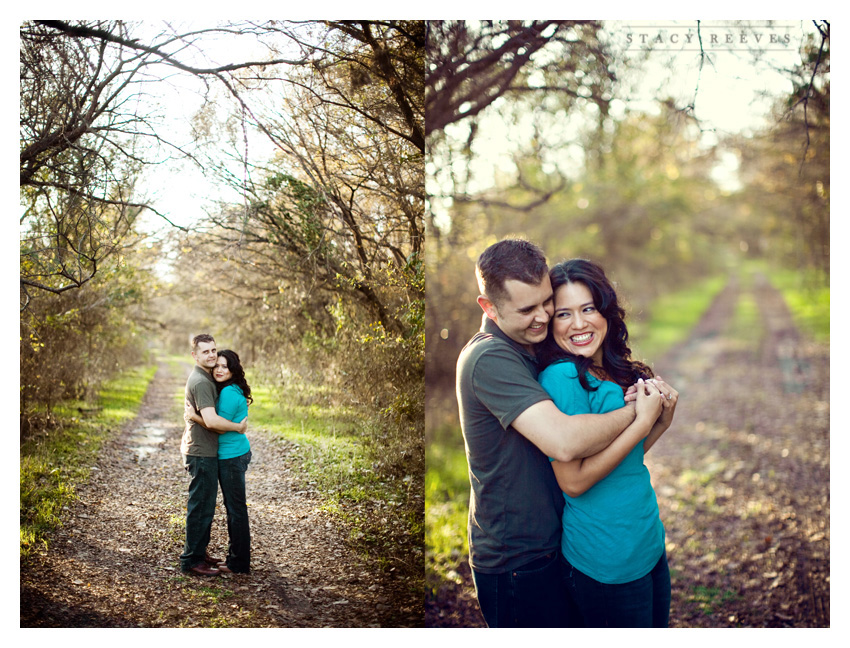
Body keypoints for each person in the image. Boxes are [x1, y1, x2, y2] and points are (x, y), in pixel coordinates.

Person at [456, 239, 640, 628]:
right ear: (488, 307)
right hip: (517, 561)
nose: (542, 316)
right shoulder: (489, 357)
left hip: (557, 546)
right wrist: (635, 413)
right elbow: (565, 441)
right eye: (527, 309)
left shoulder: (530, 345)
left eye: (545, 301)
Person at [537, 258, 678, 627]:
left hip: (645, 539)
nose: (579, 324)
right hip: (605, 558)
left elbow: (624, 461)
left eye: (587, 309)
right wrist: (642, 420)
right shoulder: (562, 377)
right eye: (564, 314)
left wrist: (661, 421)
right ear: (550, 323)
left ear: (606, 311)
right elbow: (575, 482)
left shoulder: (613, 368)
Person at [179, 334, 248, 577]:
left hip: (207, 450)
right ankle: (192, 560)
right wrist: (238, 427)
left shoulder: (207, 378)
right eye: (205, 351)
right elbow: (210, 420)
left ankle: (198, 551)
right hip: (201, 451)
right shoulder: (201, 381)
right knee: (200, 507)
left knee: (206, 505)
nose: (210, 355)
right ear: (194, 355)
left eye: (213, 351)